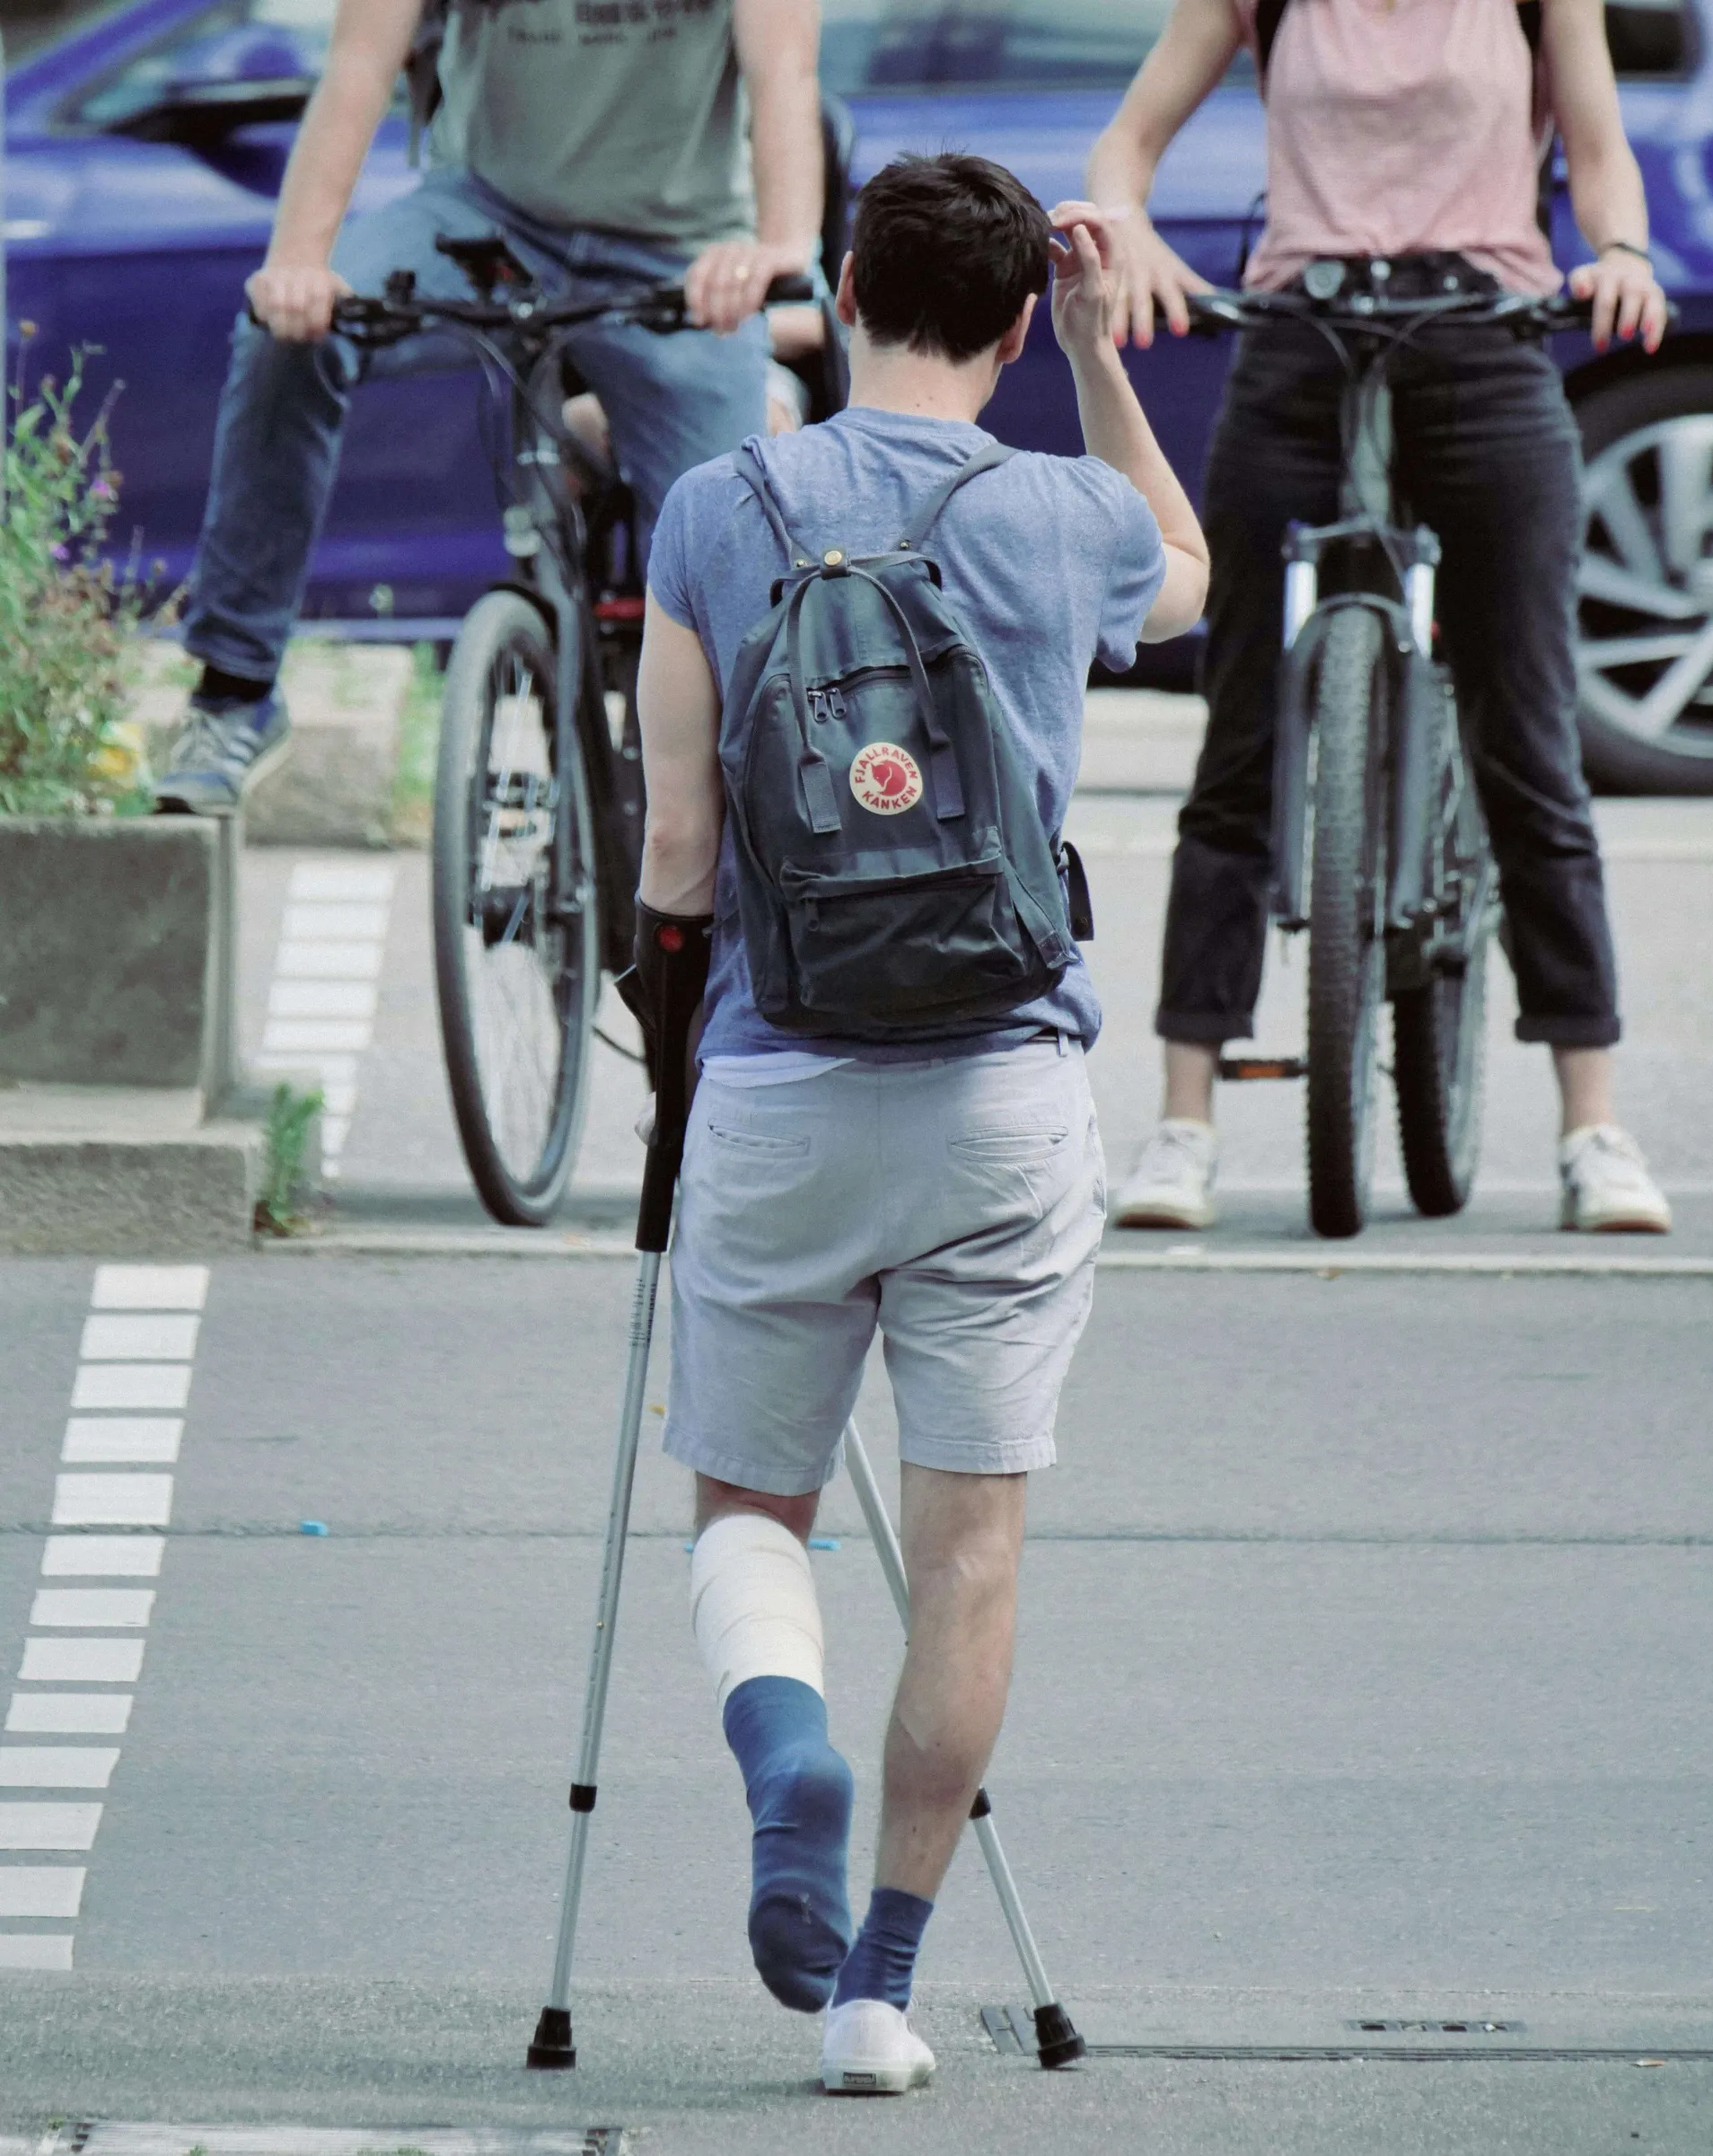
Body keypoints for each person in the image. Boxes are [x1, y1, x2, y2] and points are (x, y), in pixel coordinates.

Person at [633, 154, 1207, 2093]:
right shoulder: (1059, 513)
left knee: (745, 1504)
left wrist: (672, 1060)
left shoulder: (723, 503)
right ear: (1024, 319)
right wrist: (1113, 367)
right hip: (1004, 1093)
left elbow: (681, 851)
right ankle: (877, 1996)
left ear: (848, 278)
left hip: (787, 1078)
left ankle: (776, 1744)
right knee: (967, 1555)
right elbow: (1189, 570)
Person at [1085, 0, 1673, 1236]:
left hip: (1487, 336)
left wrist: (1620, 250)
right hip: (1300, 337)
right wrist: (1124, 229)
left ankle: (1592, 1123)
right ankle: (1182, 1123)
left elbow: (1601, 146)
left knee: (1530, 738)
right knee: (1241, 732)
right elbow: (1124, 147)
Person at [154, 0, 821, 814]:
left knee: (738, 589)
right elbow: (360, 65)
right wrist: (298, 263)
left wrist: (780, 247)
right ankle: (236, 690)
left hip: (679, 252)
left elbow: (785, 70)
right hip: (484, 222)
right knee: (283, 338)